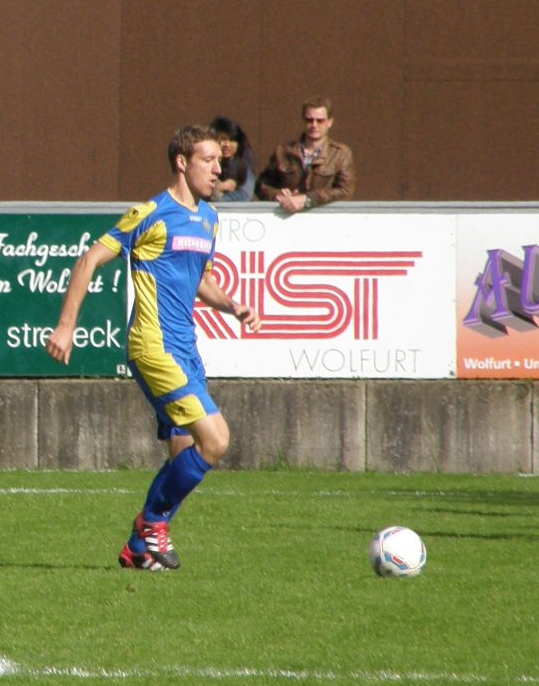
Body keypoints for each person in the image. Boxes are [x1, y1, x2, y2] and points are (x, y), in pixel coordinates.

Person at [46, 125, 261, 570]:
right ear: (182, 163)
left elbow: (201, 280)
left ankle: (137, 547)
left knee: (186, 452)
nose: (218, 170)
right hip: (153, 345)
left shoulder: (208, 218)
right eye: (208, 160)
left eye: (220, 161)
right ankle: (153, 523)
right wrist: (66, 327)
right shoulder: (150, 213)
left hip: (186, 349)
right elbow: (88, 260)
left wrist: (233, 306)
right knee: (216, 440)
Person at [255, 95, 356, 214]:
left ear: (330, 122)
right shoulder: (283, 152)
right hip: (286, 217)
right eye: (309, 120)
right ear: (303, 121)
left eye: (320, 120)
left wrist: (308, 199)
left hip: (324, 218)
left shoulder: (340, 154)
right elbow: (261, 185)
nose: (314, 125)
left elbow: (345, 191)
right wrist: (277, 195)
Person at [209, 115, 256, 202]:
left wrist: (218, 191)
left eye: (232, 140)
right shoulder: (208, 164)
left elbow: (244, 196)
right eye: (223, 139)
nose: (227, 144)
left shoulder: (244, 166)